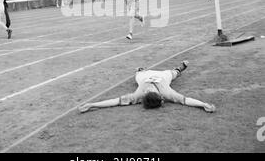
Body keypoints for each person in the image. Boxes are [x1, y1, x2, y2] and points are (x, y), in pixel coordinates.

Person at [79, 61, 216, 114]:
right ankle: (180, 68)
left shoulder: (139, 96)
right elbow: (186, 100)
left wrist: (93, 104)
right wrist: (203, 104)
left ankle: (140, 69)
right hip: (161, 76)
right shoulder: (166, 92)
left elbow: (115, 101)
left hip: (145, 76)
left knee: (138, 74)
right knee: (173, 74)